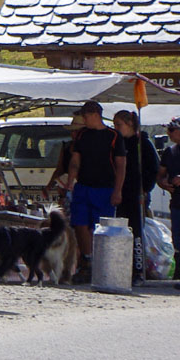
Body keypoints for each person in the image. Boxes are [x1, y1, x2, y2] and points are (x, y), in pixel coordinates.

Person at [62, 101, 124, 282]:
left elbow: (121, 165)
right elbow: (75, 160)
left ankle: (100, 263)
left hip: (105, 188)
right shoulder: (82, 135)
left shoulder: (113, 136)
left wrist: (118, 190)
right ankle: (86, 261)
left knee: (100, 228)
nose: (84, 120)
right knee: (80, 223)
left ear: (95, 114)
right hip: (83, 186)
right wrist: (70, 181)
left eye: (86, 116)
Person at [113, 110, 158, 281]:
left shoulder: (143, 143)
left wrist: (145, 188)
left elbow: (153, 169)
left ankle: (138, 269)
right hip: (121, 193)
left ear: (129, 124)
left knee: (136, 231)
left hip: (137, 194)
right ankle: (122, 266)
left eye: (119, 125)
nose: (116, 128)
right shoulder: (119, 143)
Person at [158, 120, 180, 252]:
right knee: (177, 243)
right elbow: (160, 174)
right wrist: (162, 183)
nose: (168, 134)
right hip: (176, 204)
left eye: (171, 130)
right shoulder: (169, 152)